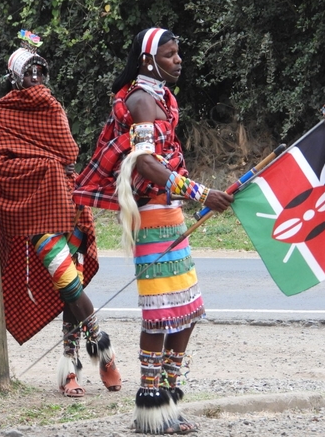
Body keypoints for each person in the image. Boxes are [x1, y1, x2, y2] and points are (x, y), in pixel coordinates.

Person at [74, 27, 233, 434]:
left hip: (170, 213)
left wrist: (193, 196)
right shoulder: (140, 100)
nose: (178, 60)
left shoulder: (162, 97)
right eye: (169, 55)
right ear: (148, 61)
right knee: (161, 316)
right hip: (151, 218)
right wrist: (200, 192)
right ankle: (150, 407)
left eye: (178, 54)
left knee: (187, 312)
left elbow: (163, 160)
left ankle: (169, 400)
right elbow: (145, 163)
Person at [0, 30, 122, 398]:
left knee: (69, 292)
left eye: (40, 72)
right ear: (15, 78)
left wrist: (51, 165)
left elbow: (68, 150)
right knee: (69, 284)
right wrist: (44, 168)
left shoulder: (52, 106)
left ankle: (70, 367)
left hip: (70, 206)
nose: (36, 80)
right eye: (29, 74)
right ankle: (105, 350)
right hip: (36, 211)